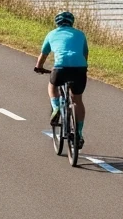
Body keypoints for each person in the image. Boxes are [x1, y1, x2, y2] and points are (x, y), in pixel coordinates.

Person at [35, 11, 89, 148]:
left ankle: (56, 107)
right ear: (72, 22)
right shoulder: (80, 34)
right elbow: (85, 53)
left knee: (52, 86)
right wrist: (83, 68)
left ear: (57, 22)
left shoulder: (51, 34)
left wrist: (39, 67)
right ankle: (78, 132)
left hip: (60, 68)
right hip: (79, 68)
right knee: (77, 99)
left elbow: (43, 54)